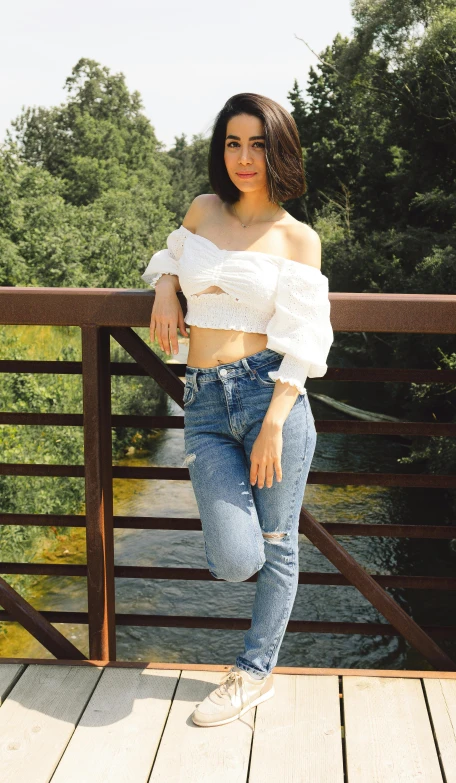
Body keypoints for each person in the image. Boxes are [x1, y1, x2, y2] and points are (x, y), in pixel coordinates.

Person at [141, 92, 334, 728]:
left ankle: (253, 673)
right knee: (234, 557)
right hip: (202, 400)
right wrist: (167, 288)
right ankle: (253, 657)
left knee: (277, 548)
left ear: (278, 150)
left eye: (256, 144)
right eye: (232, 143)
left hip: (268, 396)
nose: (243, 158)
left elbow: (305, 338)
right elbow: (171, 257)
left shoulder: (297, 238)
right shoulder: (203, 210)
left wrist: (276, 422)